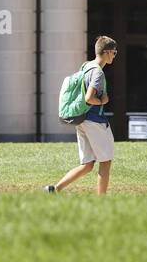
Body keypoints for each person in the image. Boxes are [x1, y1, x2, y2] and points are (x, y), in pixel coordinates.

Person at [45, 36, 117, 195]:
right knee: (105, 162)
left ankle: (54, 189)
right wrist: (103, 100)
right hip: (95, 121)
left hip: (82, 119)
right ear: (106, 52)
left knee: (88, 164)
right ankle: (101, 201)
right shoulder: (98, 73)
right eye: (113, 52)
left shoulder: (86, 66)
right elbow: (89, 98)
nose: (114, 55)